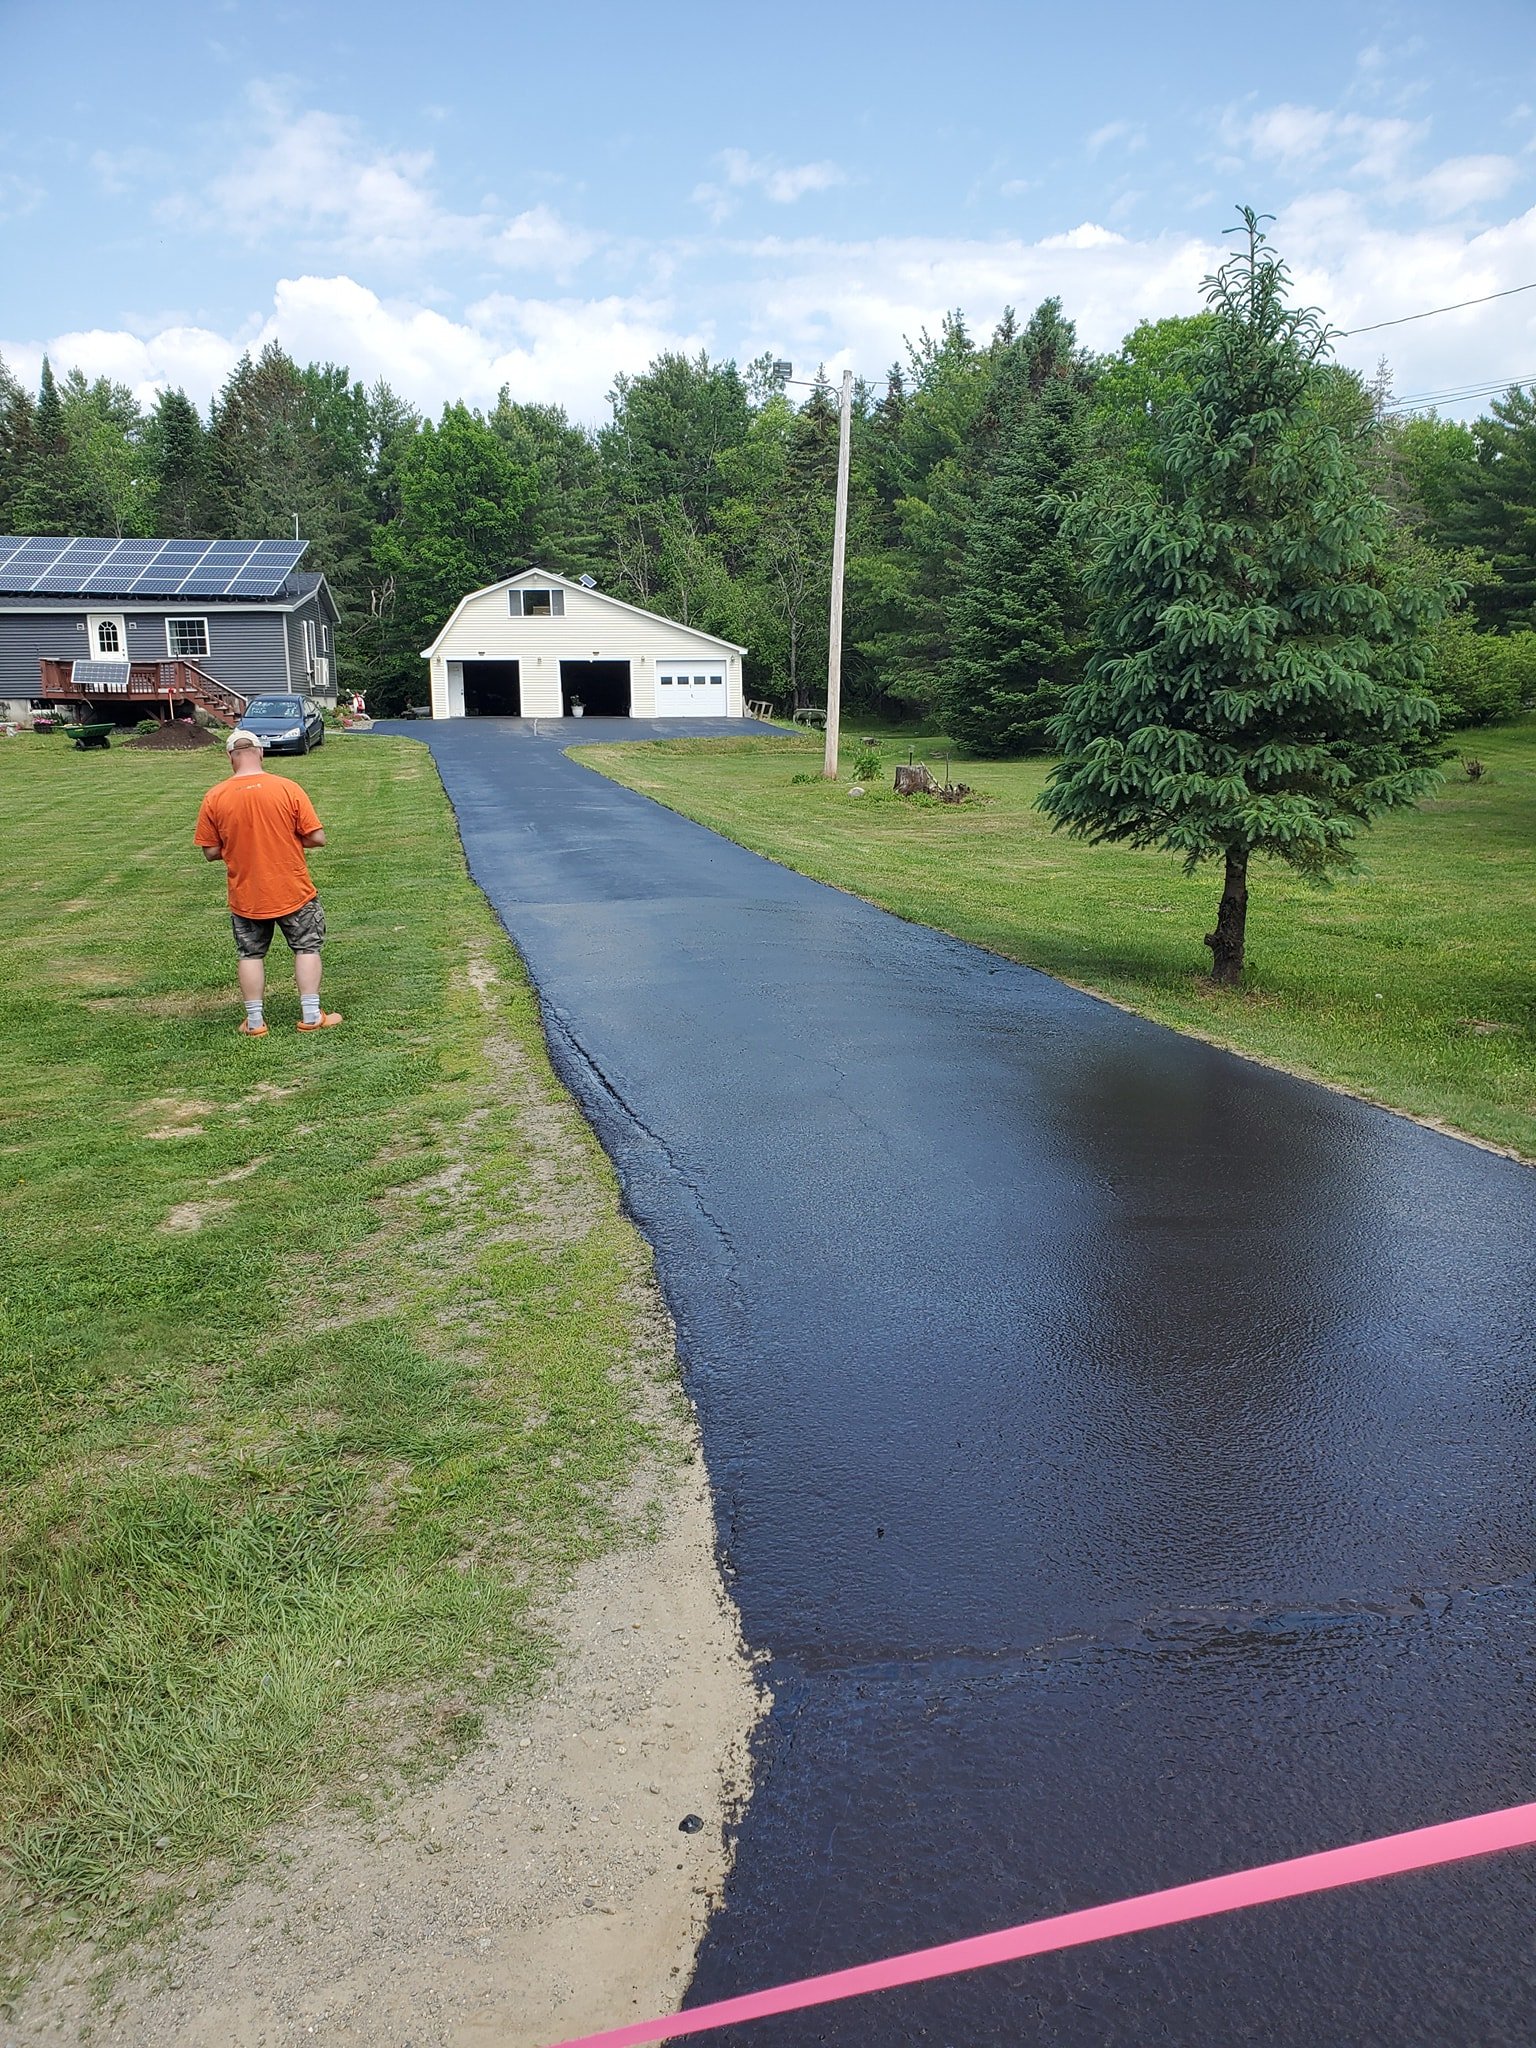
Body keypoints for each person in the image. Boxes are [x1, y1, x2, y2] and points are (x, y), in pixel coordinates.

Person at [194, 728, 341, 1036]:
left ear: (229, 757)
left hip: (247, 893)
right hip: (293, 889)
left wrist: (238, 846)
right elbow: (317, 837)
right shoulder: (288, 789)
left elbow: (210, 851)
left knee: (250, 954)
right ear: (261, 752)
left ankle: (256, 1021)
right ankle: (311, 1015)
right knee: (307, 948)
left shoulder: (215, 797)